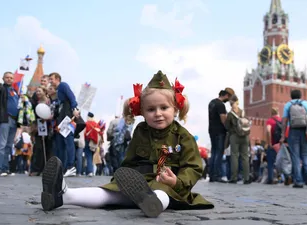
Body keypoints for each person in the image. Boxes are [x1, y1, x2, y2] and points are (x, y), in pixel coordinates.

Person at [40, 70, 214, 218]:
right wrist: (119, 181)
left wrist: (177, 181)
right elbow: (130, 160)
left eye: (164, 108)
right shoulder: (140, 131)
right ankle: (63, 195)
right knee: (109, 193)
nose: (158, 114)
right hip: (139, 183)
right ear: (142, 112)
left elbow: (193, 167)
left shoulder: (183, 136)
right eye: (151, 109)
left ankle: (153, 204)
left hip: (169, 185)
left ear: (175, 109)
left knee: (162, 193)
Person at [208, 87, 234, 182]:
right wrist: (228, 128)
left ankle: (211, 175)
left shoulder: (212, 102)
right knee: (218, 153)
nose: (229, 100)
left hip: (211, 130)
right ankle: (216, 175)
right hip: (220, 131)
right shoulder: (221, 105)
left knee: (214, 152)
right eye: (229, 97)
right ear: (226, 95)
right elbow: (223, 119)